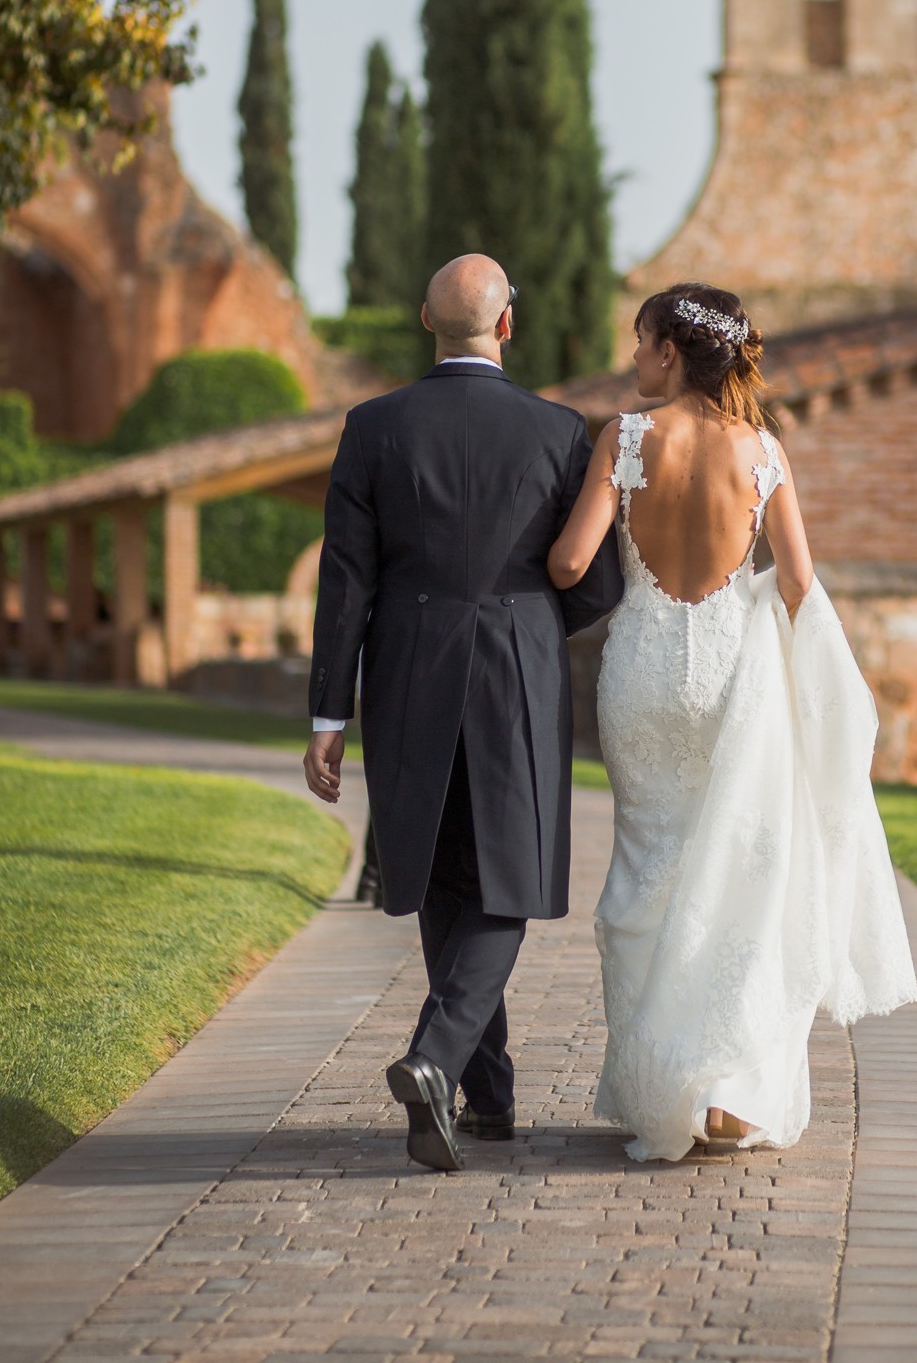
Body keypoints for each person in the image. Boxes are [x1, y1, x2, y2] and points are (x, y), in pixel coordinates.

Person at [548, 281, 917, 1161]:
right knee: (740, 872)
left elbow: (568, 564)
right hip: (725, 679)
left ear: (671, 351)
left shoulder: (625, 440)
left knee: (648, 869)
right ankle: (725, 1086)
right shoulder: (763, 452)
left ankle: (665, 1083)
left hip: (637, 675)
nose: (634, 360)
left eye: (640, 343)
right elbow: (795, 579)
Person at [303, 255, 622, 1173]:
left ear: (422, 320)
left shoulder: (372, 426)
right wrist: (524, 622)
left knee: (444, 870)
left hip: (405, 664)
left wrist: (329, 715)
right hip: (518, 667)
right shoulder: (560, 430)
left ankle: (488, 1095)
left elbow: (345, 581)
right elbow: (594, 580)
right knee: (507, 878)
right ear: (507, 324)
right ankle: (439, 1062)